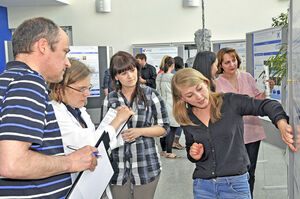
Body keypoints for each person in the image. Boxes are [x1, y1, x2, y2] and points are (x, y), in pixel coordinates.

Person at [0, 17, 98, 198]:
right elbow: (11, 163)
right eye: (64, 52)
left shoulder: (7, 81)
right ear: (43, 46)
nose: (67, 63)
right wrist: (70, 162)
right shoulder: (29, 82)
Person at [171, 68, 296, 199]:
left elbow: (267, 105)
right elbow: (191, 148)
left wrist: (281, 123)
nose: (199, 97)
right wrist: (194, 154)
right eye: (190, 95)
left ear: (205, 83)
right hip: (203, 187)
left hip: (235, 185)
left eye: (199, 88)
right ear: (181, 98)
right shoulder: (186, 118)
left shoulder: (230, 102)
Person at [48, 58, 134, 181]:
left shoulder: (79, 111)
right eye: (81, 89)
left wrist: (119, 124)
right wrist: (117, 120)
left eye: (88, 87)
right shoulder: (55, 114)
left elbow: (97, 144)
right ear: (59, 88)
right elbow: (91, 143)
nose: (87, 93)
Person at [103, 51, 169, 199]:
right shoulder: (110, 99)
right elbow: (105, 133)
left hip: (145, 164)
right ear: (116, 76)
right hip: (118, 167)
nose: (130, 76)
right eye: (123, 73)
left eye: (132, 70)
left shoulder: (151, 94)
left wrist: (140, 131)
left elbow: (164, 127)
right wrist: (118, 120)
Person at [215, 47, 275, 197]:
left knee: (250, 171)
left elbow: (256, 100)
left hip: (252, 131)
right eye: (227, 62)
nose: (232, 64)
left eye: (234, 60)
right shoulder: (216, 83)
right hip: (231, 135)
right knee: (235, 172)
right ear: (220, 65)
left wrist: (268, 90)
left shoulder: (247, 77)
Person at [156, 56, 181, 158]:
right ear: (173, 65)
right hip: (171, 105)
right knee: (172, 129)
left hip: (160, 105)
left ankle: (163, 151)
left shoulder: (159, 76)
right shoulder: (173, 77)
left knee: (163, 129)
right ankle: (169, 152)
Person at [172, 56, 185, 150]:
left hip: (171, 101)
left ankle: (172, 142)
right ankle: (176, 142)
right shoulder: (181, 74)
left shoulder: (170, 73)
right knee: (180, 122)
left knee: (172, 123)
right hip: (180, 101)